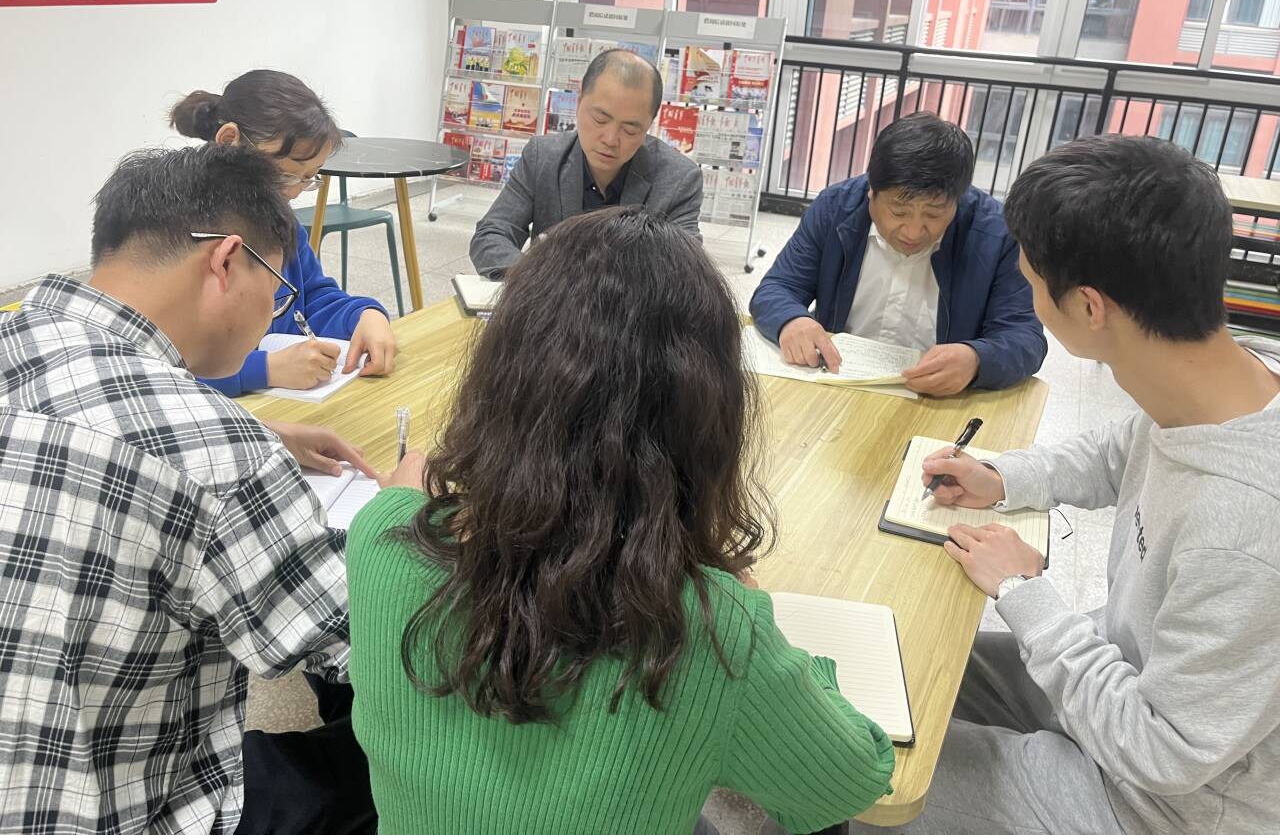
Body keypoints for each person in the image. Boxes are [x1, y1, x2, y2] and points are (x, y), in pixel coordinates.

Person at [349, 206, 896, 835]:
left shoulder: (380, 535)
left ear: (500, 378)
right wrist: (772, 632)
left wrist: (403, 503)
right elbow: (853, 779)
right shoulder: (714, 628)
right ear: (706, 421)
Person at [848, 135, 1280, 835]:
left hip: (1154, 803)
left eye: (1031, 279)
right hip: (1118, 676)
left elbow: (1165, 751)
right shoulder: (1227, 377)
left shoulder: (1246, 527)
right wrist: (1002, 476)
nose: (1026, 292)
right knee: (899, 667)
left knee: (858, 771)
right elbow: (1121, 450)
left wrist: (1026, 593)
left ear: (1088, 307)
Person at [0, 144, 411, 834]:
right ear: (225, 261)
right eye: (277, 291)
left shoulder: (18, 331)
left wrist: (266, 432)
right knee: (381, 756)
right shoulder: (221, 454)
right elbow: (367, 643)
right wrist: (399, 513)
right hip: (129, 810)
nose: (274, 312)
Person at [749, 112, 1046, 395]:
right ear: (871, 191)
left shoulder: (997, 233)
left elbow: (1024, 336)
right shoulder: (835, 208)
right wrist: (792, 321)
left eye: (933, 214)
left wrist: (977, 359)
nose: (913, 232)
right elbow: (778, 288)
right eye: (898, 212)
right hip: (839, 380)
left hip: (941, 397)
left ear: (958, 200)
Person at [171, 69, 399, 396]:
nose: (292, 192)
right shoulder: (175, 233)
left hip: (280, 407)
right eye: (284, 175)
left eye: (308, 178)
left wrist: (364, 316)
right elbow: (157, 366)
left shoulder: (279, 222)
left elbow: (312, 297)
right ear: (229, 140)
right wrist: (263, 369)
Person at [469, 49, 704, 279]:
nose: (610, 139)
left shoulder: (679, 179)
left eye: (630, 129)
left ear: (650, 123)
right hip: (548, 299)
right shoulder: (543, 157)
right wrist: (538, 280)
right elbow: (491, 234)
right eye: (600, 119)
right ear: (579, 100)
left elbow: (686, 272)